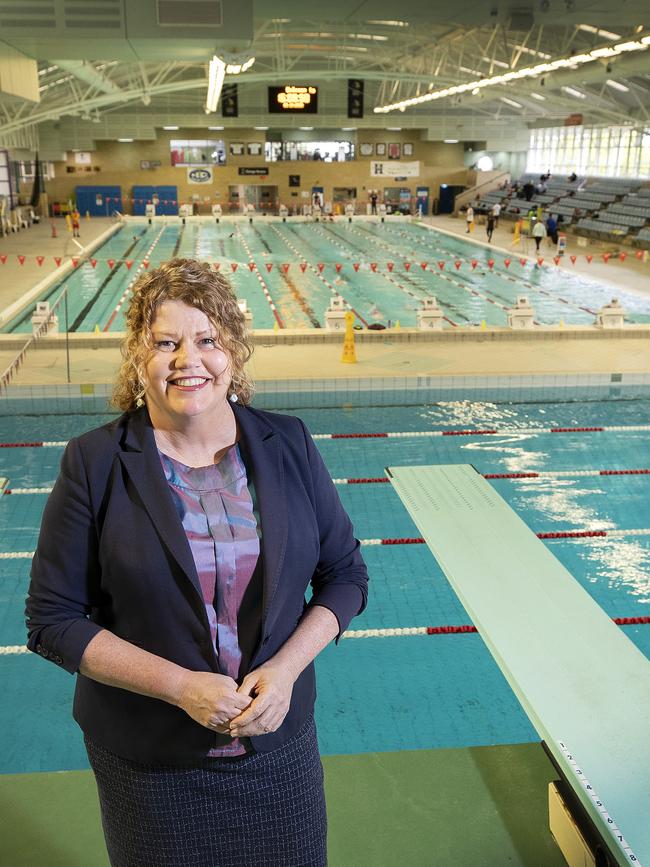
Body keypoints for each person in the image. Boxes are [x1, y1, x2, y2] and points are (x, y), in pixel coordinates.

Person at [25, 258, 369, 867]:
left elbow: (345, 576)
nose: (189, 359)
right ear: (139, 357)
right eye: (166, 342)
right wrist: (182, 688)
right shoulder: (95, 462)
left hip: (278, 749)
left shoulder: (287, 442)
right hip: (151, 765)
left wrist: (286, 671)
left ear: (231, 352)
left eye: (207, 339)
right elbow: (52, 620)